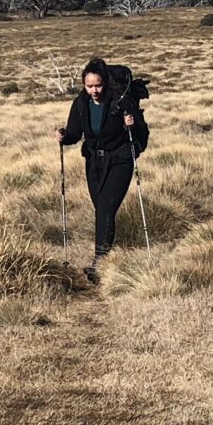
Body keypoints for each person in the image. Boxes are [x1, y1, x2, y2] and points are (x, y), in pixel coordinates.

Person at [57, 57, 146, 278]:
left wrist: (131, 128)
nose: (94, 90)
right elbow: (75, 134)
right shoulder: (81, 104)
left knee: (106, 208)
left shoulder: (120, 102)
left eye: (98, 85)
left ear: (104, 83)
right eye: (89, 86)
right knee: (101, 210)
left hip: (120, 161)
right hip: (94, 163)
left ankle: (99, 261)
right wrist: (64, 137)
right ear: (83, 85)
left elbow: (142, 134)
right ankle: (103, 256)